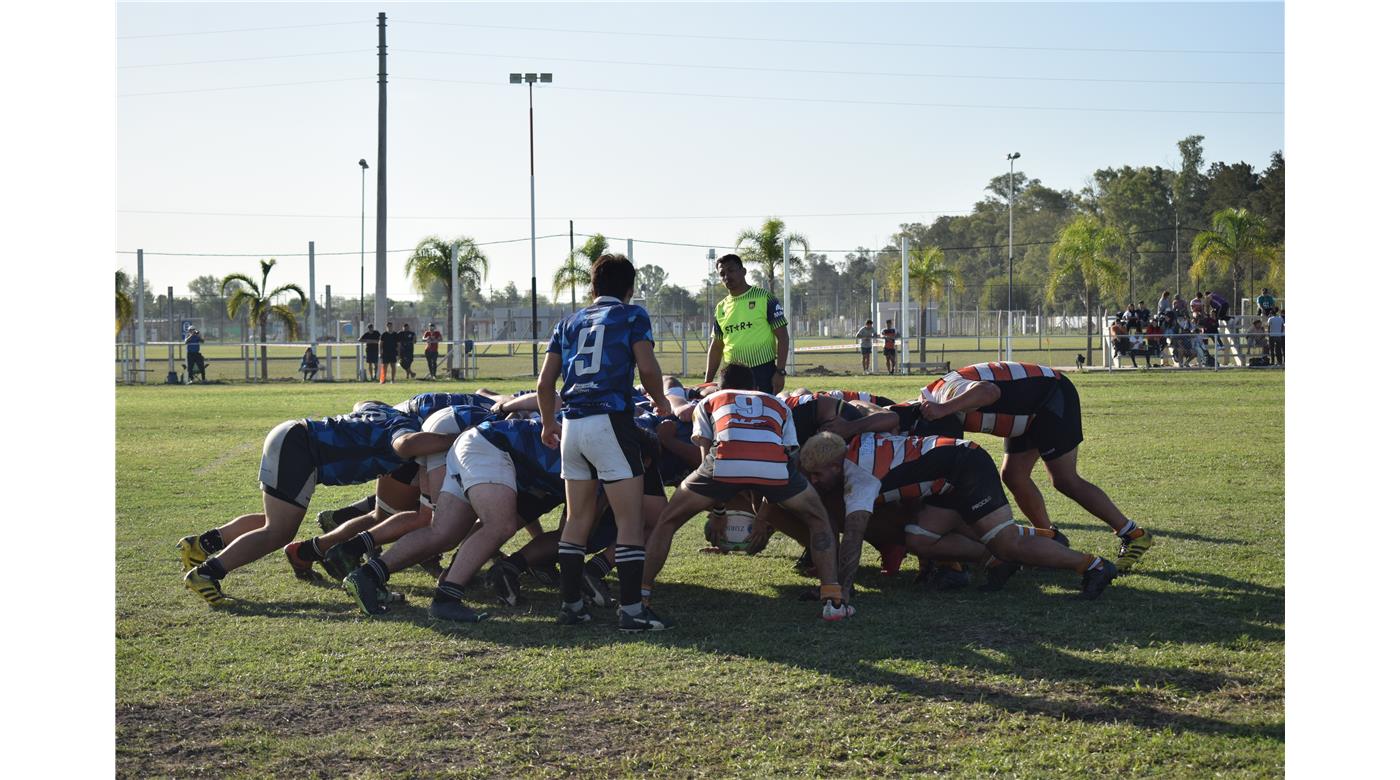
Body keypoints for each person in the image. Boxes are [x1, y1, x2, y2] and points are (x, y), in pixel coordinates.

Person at [176, 403, 459, 604]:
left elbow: (364, 402)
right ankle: (206, 573)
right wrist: (456, 438)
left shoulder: (388, 411)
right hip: (301, 448)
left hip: (293, 436)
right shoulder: (405, 426)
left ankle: (201, 545)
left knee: (272, 521)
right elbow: (406, 445)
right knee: (278, 531)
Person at [642, 363, 853, 625]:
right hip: (775, 466)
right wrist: (766, 508)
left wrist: (719, 511)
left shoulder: (709, 401)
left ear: (719, 388)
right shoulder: (778, 403)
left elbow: (705, 459)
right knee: (818, 518)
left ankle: (641, 597)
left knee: (667, 521)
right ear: (755, 388)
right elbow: (787, 455)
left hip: (723, 461)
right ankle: (833, 599)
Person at [798, 432, 1117, 600]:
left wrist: (839, 589)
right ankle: (997, 561)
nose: (814, 482)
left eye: (817, 475)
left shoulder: (858, 476)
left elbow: (853, 535)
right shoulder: (851, 450)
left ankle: (1091, 565)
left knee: (1006, 542)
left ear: (836, 466)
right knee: (919, 538)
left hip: (965, 466)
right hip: (946, 478)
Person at [536, 253, 673, 631]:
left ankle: (571, 606)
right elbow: (646, 367)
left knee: (576, 519)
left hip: (573, 425)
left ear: (592, 287)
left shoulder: (568, 322)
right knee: (630, 522)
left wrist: (549, 424)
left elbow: (545, 384)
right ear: (630, 289)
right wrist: (661, 403)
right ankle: (631, 612)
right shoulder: (632, 315)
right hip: (610, 421)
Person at [919, 362, 1155, 572]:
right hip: (1029, 407)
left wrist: (943, 409)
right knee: (1013, 475)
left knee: (1064, 479)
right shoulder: (932, 405)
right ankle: (1047, 536)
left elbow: (988, 390)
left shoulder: (941, 399)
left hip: (1050, 397)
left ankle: (1134, 534)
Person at [704, 253, 789, 394]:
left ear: (743, 271)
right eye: (722, 273)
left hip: (762, 371)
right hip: (732, 374)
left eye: (731, 270)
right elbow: (717, 346)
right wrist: (707, 382)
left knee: (760, 413)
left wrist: (780, 372)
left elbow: (783, 337)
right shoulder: (721, 308)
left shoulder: (764, 297)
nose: (727, 276)